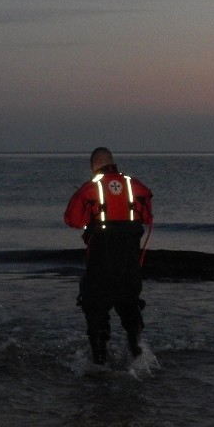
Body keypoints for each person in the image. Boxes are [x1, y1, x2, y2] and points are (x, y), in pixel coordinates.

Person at [64, 147, 153, 364]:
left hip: (101, 264)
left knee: (95, 311)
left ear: (94, 166)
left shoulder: (90, 189)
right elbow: (148, 218)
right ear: (113, 162)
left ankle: (100, 364)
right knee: (130, 308)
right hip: (129, 263)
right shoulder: (135, 186)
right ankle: (138, 357)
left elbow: (72, 220)